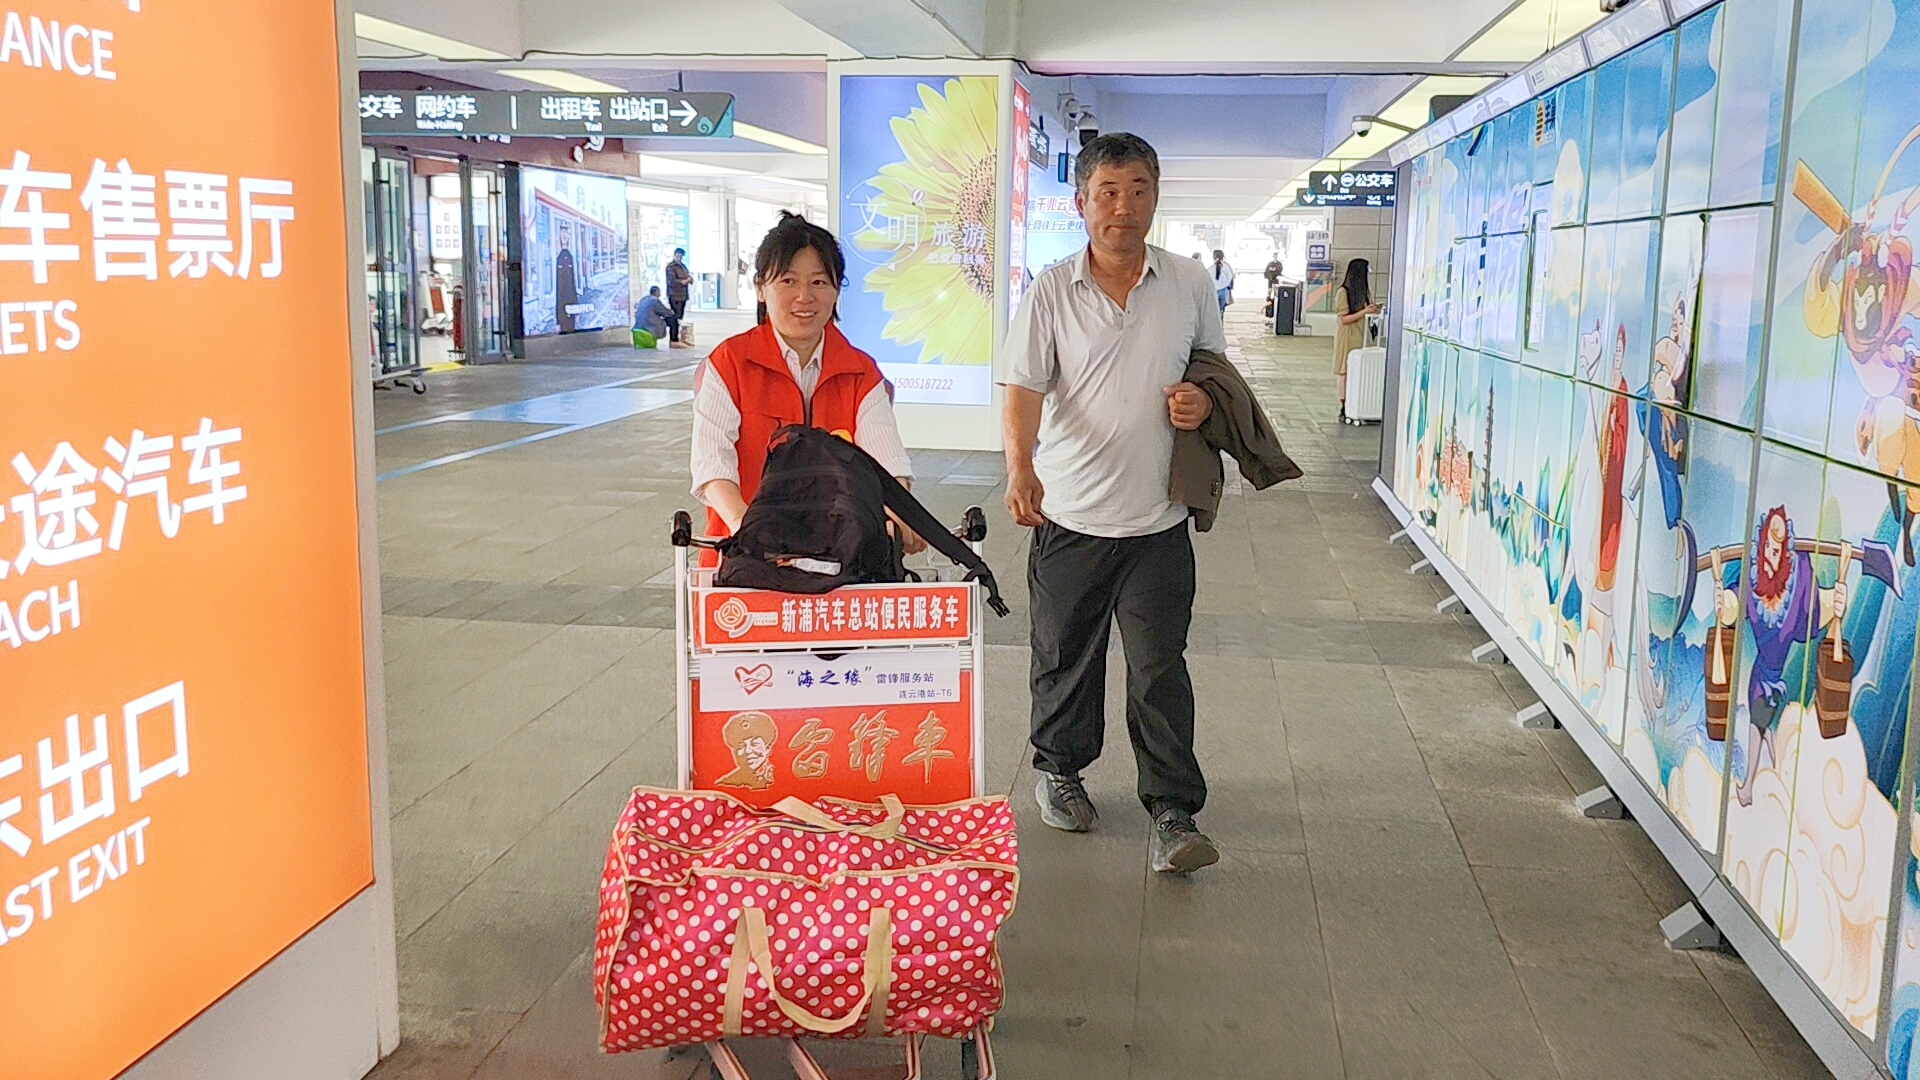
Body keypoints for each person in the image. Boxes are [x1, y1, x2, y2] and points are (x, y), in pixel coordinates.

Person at [1001, 132, 1225, 875]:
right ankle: (1061, 772)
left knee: (1160, 667)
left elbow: (1213, 372)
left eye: (1137, 191)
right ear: (1081, 203)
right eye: (1107, 192)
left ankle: (1172, 810)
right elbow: (1023, 387)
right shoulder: (1050, 291)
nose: (1122, 207)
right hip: (1071, 514)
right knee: (1065, 656)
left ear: (1155, 199)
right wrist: (1020, 470)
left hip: (1158, 519)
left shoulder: (1189, 282)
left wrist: (1201, 401)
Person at [690, 212, 922, 553]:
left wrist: (900, 514)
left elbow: (886, 460)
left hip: (841, 557)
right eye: (788, 281)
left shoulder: (861, 372)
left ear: (836, 289)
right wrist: (744, 527)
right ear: (761, 289)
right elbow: (712, 463)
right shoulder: (729, 364)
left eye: (819, 282)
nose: (804, 296)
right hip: (743, 556)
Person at [1333, 258, 1382, 420]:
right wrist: (1364, 312)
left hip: (1362, 334)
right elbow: (1343, 319)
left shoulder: (1365, 293)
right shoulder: (1343, 292)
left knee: (1358, 368)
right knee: (1344, 370)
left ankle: (1356, 402)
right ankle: (1344, 405)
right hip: (1348, 335)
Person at [666, 246, 694, 347]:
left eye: (681, 256)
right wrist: (684, 281)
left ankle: (677, 338)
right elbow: (672, 281)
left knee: (680, 318)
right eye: (678, 255)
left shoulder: (683, 266)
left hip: (683, 295)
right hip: (675, 296)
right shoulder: (671, 267)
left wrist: (689, 279)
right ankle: (673, 339)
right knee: (676, 317)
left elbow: (688, 276)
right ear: (674, 255)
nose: (679, 257)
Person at [554, 232, 578, 334]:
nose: (564, 239)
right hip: (563, 295)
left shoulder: (567, 256)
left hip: (568, 294)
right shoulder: (562, 256)